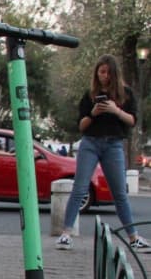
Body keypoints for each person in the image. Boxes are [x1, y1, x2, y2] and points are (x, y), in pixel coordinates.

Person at [57, 54, 148, 251]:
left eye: (107, 72)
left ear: (114, 73)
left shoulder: (126, 94)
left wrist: (116, 110)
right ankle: (65, 233)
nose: (104, 76)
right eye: (101, 72)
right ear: (96, 73)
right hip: (90, 143)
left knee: (119, 193)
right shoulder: (89, 95)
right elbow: (82, 125)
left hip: (113, 144)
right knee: (80, 188)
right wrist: (93, 113)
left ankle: (133, 237)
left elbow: (131, 121)